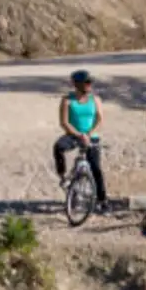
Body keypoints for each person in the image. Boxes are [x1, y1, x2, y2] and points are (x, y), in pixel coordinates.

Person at [52, 69, 106, 207]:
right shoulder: (67, 100)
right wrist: (78, 134)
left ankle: (102, 199)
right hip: (74, 134)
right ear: (77, 84)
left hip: (90, 136)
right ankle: (63, 176)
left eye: (90, 82)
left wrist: (89, 134)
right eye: (86, 83)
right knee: (58, 147)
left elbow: (100, 119)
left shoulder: (95, 100)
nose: (89, 85)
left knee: (96, 168)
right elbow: (64, 122)